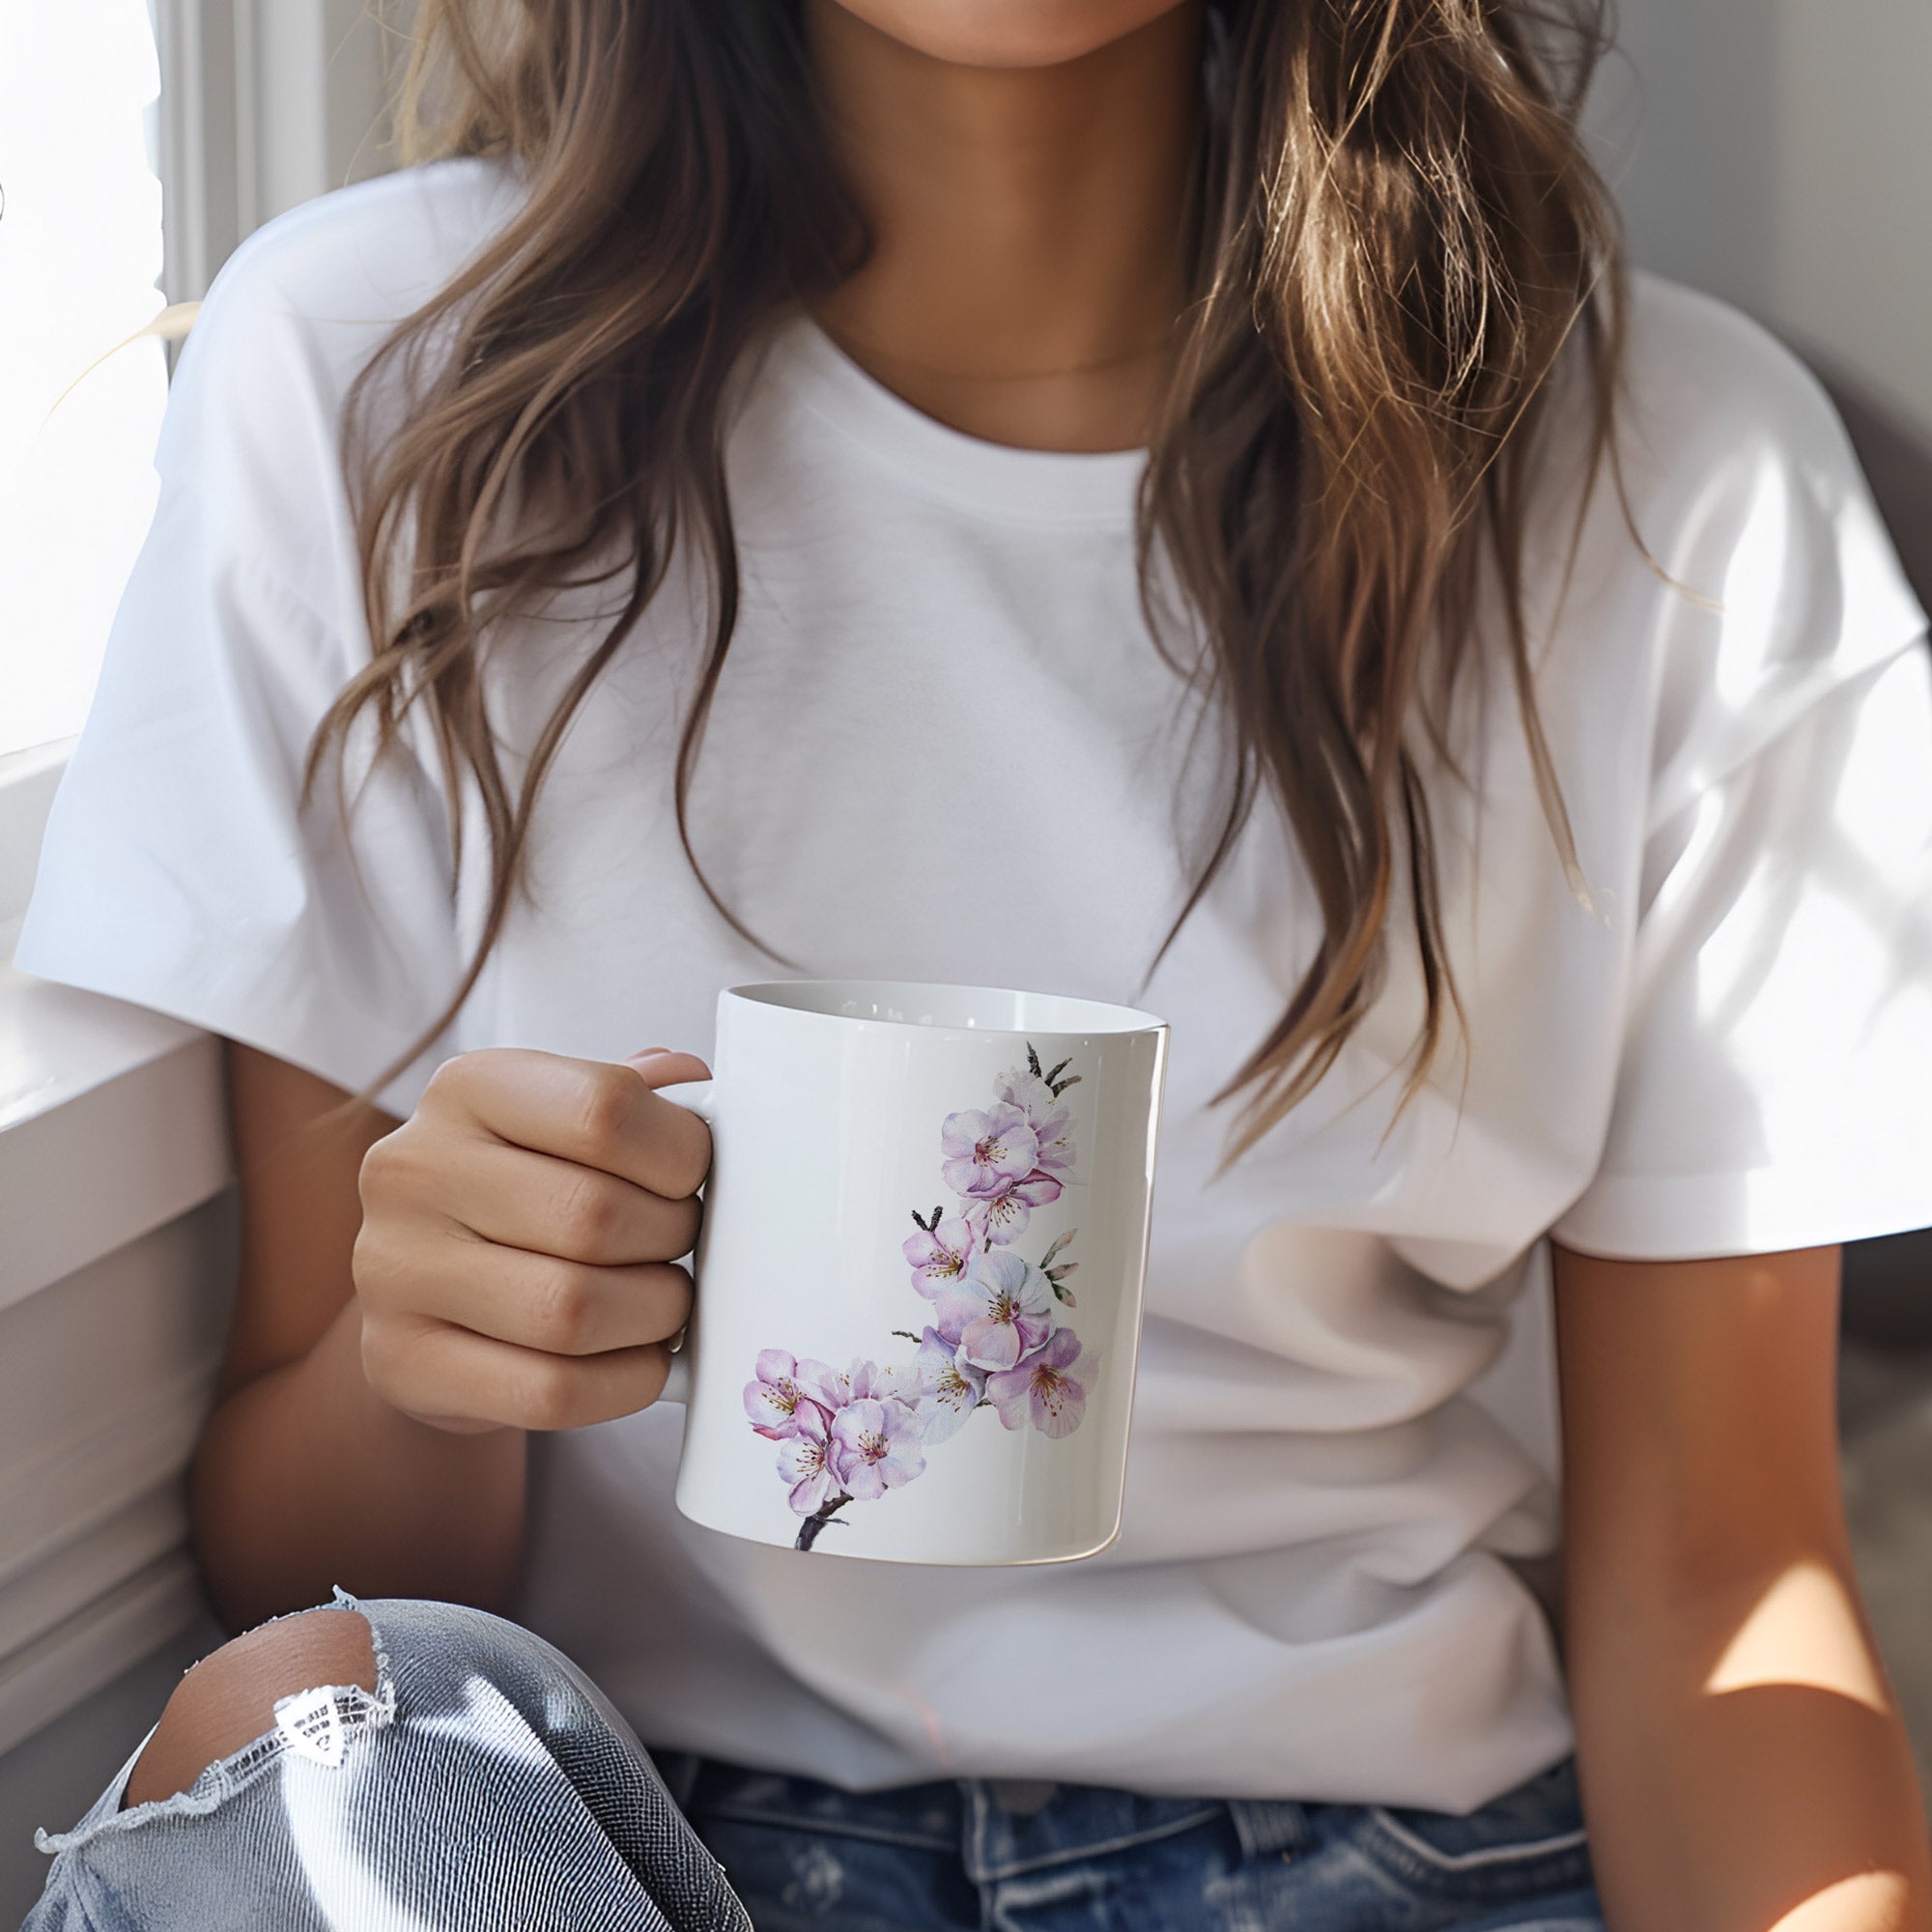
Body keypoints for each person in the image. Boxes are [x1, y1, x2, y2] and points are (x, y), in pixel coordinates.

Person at [14, 0, 1932, 1925]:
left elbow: (1714, 1582)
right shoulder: (371, 378)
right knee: (306, 1726)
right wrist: (424, 1370)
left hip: (1397, 1855)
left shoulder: (1678, 483)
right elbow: (308, 1564)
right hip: (623, 1847)